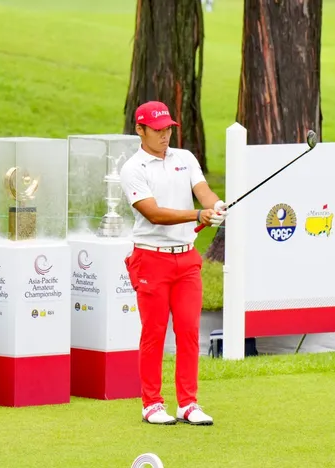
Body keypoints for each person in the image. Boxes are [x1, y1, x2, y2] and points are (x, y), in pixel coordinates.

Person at [120, 100, 227, 426]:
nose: (164, 134)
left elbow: (203, 191)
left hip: (186, 259)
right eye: (157, 129)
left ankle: (188, 403)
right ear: (140, 130)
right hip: (151, 258)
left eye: (167, 128)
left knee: (189, 331)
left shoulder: (185, 158)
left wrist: (216, 206)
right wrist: (197, 214)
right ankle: (151, 403)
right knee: (154, 333)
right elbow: (153, 213)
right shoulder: (133, 169)